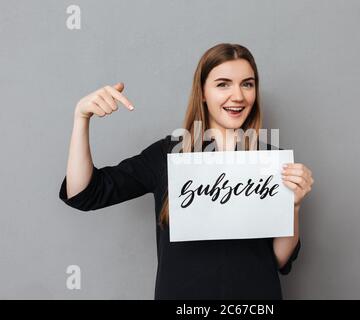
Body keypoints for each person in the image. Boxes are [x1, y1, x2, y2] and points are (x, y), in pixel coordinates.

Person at [58, 43, 314, 299]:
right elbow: (84, 194)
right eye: (223, 84)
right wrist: (81, 118)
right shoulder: (168, 155)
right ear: (202, 92)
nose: (238, 95)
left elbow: (277, 261)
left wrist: (293, 207)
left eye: (247, 84)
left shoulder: (270, 162)